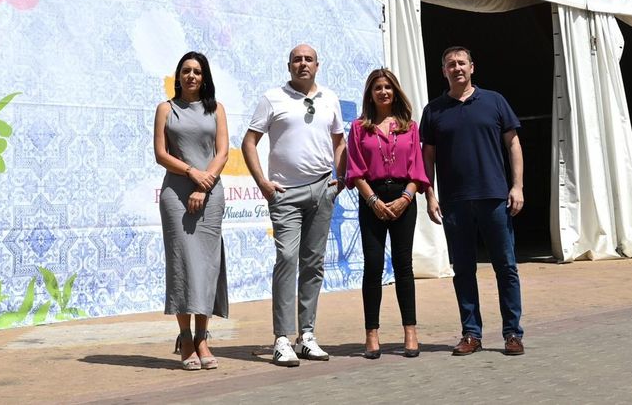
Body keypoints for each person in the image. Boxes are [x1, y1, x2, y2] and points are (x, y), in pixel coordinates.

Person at [242, 44, 346, 367]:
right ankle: (282, 339)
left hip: (321, 190)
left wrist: (339, 180)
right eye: (297, 60)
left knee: (313, 263)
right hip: (285, 193)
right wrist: (263, 182)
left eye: (308, 59)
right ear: (289, 65)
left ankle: (307, 335)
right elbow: (249, 142)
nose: (303, 64)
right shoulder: (273, 98)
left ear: (318, 64)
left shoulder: (330, 99)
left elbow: (339, 141)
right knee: (287, 258)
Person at [421, 46, 526, 357]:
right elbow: (428, 156)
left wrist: (517, 186)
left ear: (472, 67)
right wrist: (429, 194)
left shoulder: (494, 101)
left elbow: (514, 144)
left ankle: (512, 334)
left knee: (505, 267)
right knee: (463, 270)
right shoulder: (434, 110)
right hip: (454, 202)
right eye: (451, 64)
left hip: (494, 197)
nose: (457, 68)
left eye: (461, 63)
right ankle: (471, 333)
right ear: (443, 71)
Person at [153, 51, 231, 370]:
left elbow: (223, 152)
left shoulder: (217, 109)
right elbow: (160, 153)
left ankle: (202, 337)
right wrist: (191, 173)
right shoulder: (165, 109)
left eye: (197, 71)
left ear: (204, 77)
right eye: (185, 71)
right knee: (183, 265)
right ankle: (185, 337)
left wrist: (204, 184)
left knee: (206, 266)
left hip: (210, 195)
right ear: (178, 76)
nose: (191, 76)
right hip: (176, 194)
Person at [345, 68, 430, 358]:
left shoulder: (409, 126)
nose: (383, 92)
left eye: (388, 87)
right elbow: (354, 171)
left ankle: (410, 331)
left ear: (395, 92)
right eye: (377, 87)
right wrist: (373, 201)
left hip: (404, 197)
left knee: (403, 265)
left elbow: (418, 169)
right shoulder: (359, 128)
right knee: (373, 265)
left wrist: (406, 197)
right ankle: (371, 333)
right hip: (373, 198)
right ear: (370, 93)